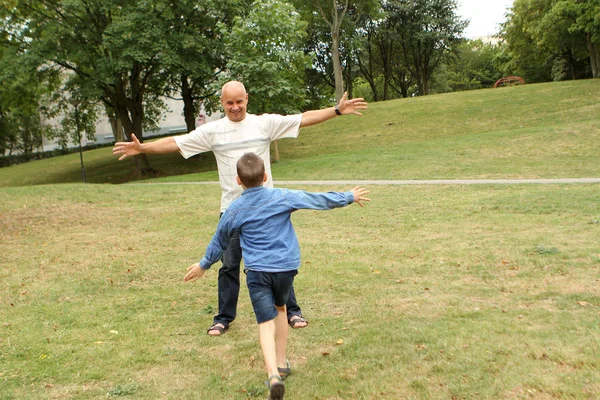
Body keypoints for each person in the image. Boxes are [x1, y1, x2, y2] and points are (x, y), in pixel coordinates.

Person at [112, 80, 368, 336]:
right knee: (229, 265)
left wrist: (336, 110)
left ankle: (292, 311)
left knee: (276, 263)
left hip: (267, 211)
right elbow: (177, 143)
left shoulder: (264, 123)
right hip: (233, 210)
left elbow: (303, 119)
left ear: (247, 98)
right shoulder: (213, 131)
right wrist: (143, 147)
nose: (235, 107)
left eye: (239, 101)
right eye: (229, 103)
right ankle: (223, 318)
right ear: (222, 103)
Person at [183, 152, 370, 400]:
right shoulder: (281, 196)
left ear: (238, 181)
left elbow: (220, 240)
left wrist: (203, 264)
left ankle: (273, 374)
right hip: (286, 269)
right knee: (281, 308)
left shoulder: (234, 209)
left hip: (259, 272)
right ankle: (281, 363)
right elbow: (315, 200)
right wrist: (348, 196)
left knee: (265, 322)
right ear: (266, 176)